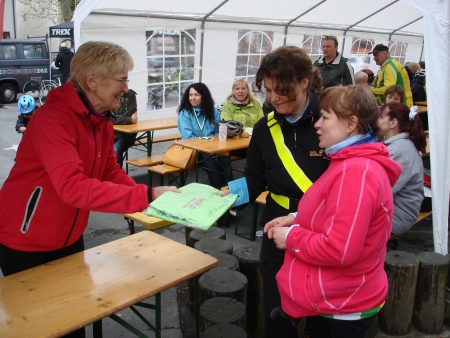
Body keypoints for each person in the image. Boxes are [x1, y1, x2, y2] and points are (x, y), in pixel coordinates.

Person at [0, 41, 177, 337]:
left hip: (68, 237)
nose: (126, 88)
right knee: (38, 327)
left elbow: (109, 172)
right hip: (25, 242)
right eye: (121, 79)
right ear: (93, 81)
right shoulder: (52, 119)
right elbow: (73, 188)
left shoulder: (101, 123)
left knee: (75, 322)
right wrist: (144, 195)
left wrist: (147, 199)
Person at [265, 85, 401, 338]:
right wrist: (295, 218)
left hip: (343, 305)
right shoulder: (347, 162)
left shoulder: (357, 172)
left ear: (351, 124)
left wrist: (292, 236)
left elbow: (340, 248)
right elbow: (332, 212)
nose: (317, 124)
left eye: (325, 117)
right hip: (333, 299)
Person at [223, 46, 330, 337]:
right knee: (277, 312)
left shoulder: (333, 119)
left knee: (324, 316)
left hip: (325, 228)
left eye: (282, 89)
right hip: (277, 228)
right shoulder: (264, 128)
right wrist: (223, 199)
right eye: (268, 90)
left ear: (304, 81)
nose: (274, 98)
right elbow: (254, 178)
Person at [378, 103, 426, 235]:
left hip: (398, 216)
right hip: (396, 209)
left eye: (382, 117)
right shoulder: (398, 143)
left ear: (393, 123)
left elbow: (382, 191)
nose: (378, 120)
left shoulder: (399, 151)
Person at [177, 83, 227, 191]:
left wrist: (215, 149)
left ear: (203, 96)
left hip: (213, 148)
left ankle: (230, 192)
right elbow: (189, 137)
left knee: (224, 159)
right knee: (211, 165)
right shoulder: (185, 113)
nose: (193, 98)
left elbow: (218, 132)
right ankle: (218, 194)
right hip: (193, 149)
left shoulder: (212, 111)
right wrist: (208, 149)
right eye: (191, 95)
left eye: (196, 95)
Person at [112, 89, 138, 167]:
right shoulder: (107, 94)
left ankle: (117, 176)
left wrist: (129, 119)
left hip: (126, 135)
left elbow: (131, 114)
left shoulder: (130, 94)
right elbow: (107, 118)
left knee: (115, 150)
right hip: (109, 135)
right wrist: (129, 119)